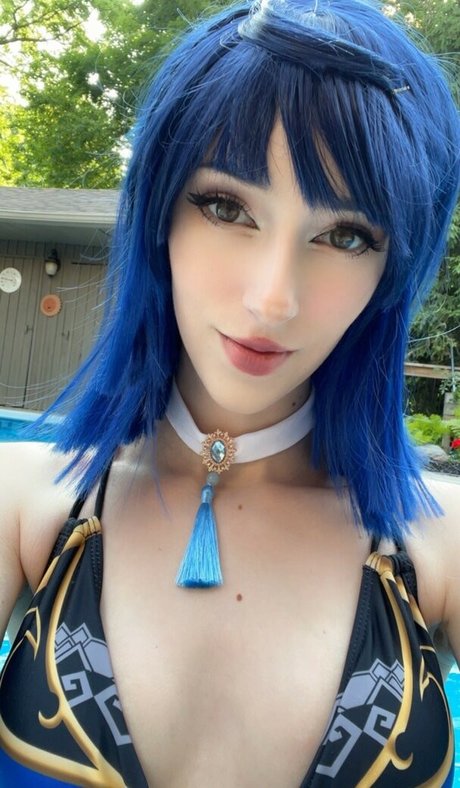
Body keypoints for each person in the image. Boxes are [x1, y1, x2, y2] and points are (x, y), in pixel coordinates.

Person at [0, 0, 459, 784]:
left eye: (346, 235)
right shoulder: (23, 501)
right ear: (159, 214)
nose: (272, 299)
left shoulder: (438, 545)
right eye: (227, 206)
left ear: (392, 272)